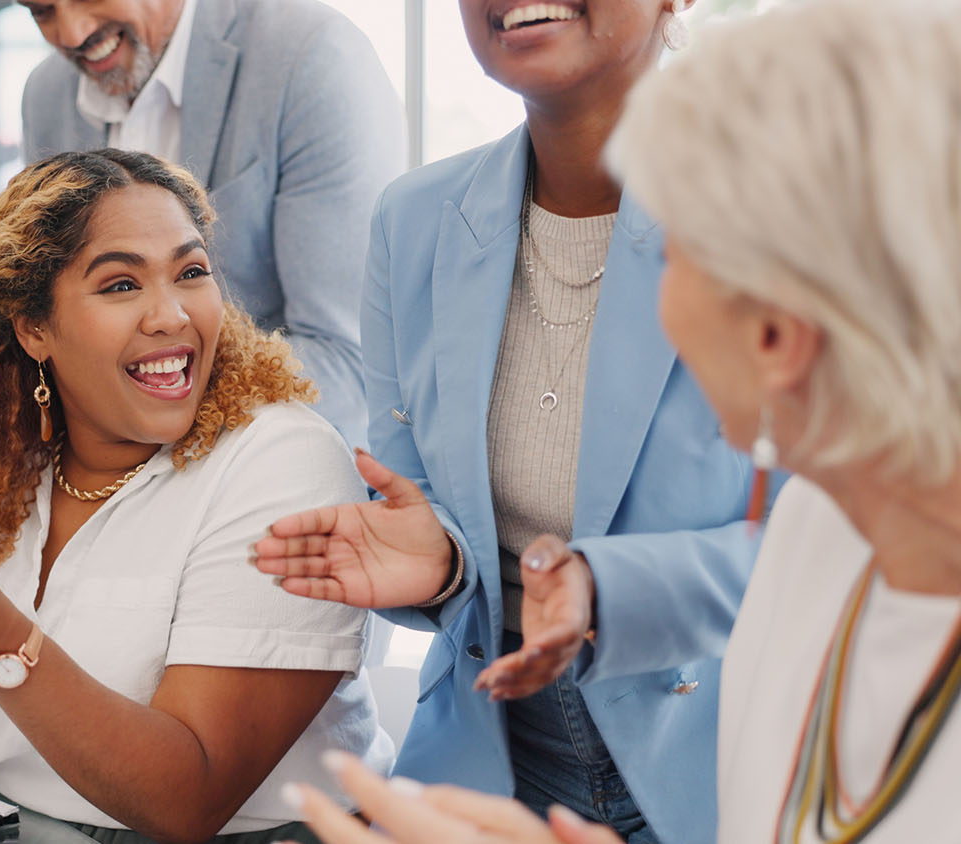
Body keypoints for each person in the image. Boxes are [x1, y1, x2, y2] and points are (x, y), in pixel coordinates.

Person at [281, 1, 961, 841]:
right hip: (501, 753)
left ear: (779, 333)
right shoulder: (839, 548)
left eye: (682, 261)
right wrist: (447, 565)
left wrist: (603, 587)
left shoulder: (829, 569)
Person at [252, 2, 764, 842]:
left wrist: (611, 591)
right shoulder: (412, 220)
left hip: (728, 767)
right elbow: (417, 486)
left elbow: (850, 545)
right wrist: (445, 566)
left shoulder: (791, 206)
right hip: (490, 766)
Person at [0, 149, 392, 843]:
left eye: (191, 273)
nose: (171, 315)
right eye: (121, 284)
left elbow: (186, 801)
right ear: (35, 327)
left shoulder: (281, 459)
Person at [0, 0, 406, 446]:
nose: (72, 31)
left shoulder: (311, 55)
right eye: (41, 11)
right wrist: (23, 341)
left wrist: (109, 379)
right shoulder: (47, 93)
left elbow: (349, 364)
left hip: (277, 480)